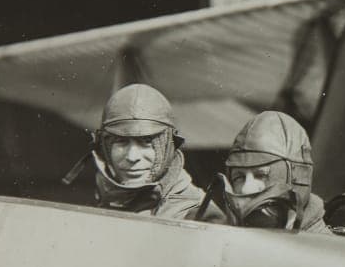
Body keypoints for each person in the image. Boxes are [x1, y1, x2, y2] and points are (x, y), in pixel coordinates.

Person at [63, 83, 225, 222]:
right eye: (121, 141)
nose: (132, 157)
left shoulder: (199, 216)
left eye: (146, 142)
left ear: (168, 148)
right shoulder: (106, 198)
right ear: (104, 148)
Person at [219, 110, 330, 233]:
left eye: (260, 175)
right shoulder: (225, 233)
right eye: (239, 177)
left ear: (297, 178)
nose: (246, 189)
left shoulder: (324, 244)